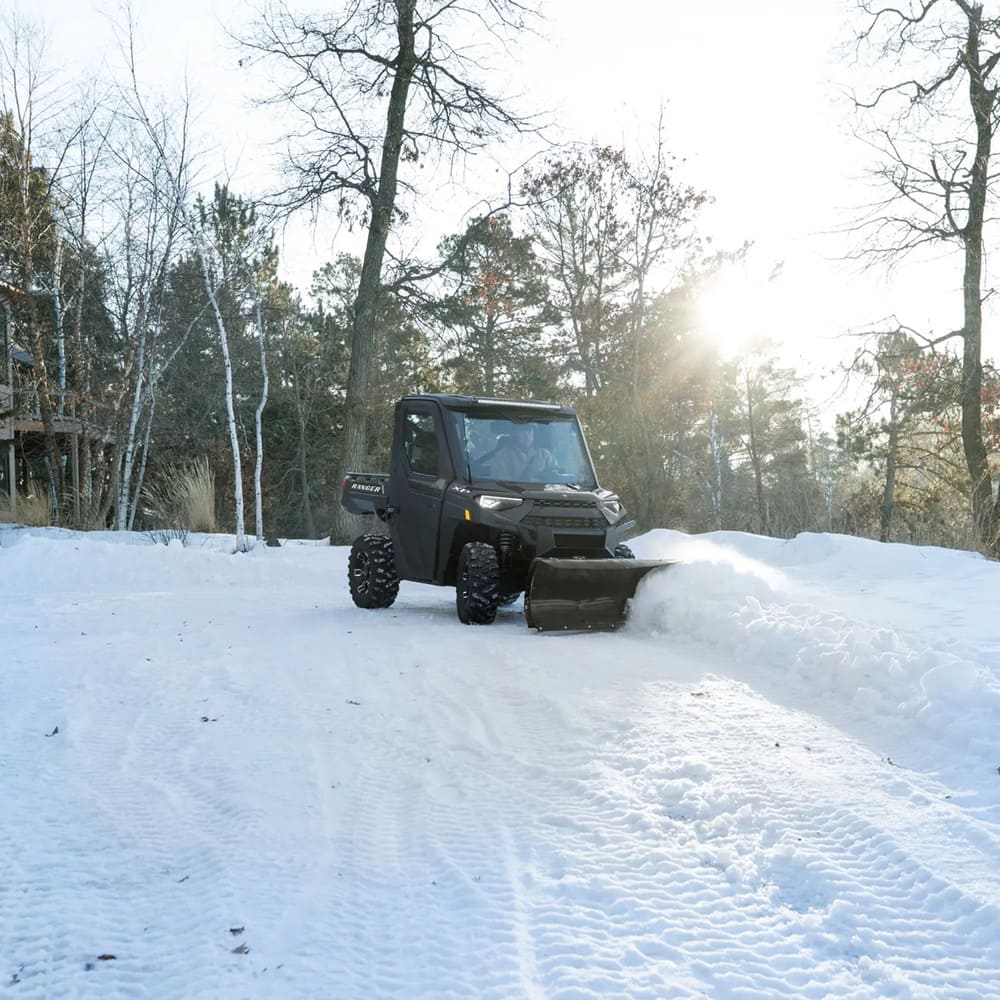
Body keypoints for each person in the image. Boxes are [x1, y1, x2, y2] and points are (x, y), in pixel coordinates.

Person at [490, 424, 557, 481]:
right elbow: (501, 483)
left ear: (534, 433)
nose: (526, 435)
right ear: (516, 434)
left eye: (529, 431)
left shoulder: (545, 455)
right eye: (522, 431)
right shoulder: (503, 456)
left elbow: (556, 476)